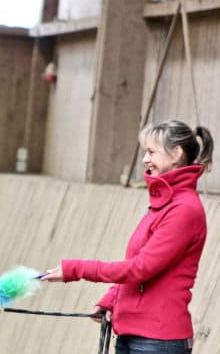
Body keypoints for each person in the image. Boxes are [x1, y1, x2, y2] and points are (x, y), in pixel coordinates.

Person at [40, 120, 214, 354]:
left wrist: (77, 269)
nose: (145, 159)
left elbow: (141, 268)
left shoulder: (184, 210)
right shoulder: (162, 204)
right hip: (132, 335)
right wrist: (112, 299)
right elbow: (141, 267)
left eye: (151, 152)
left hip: (157, 341)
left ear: (177, 154)